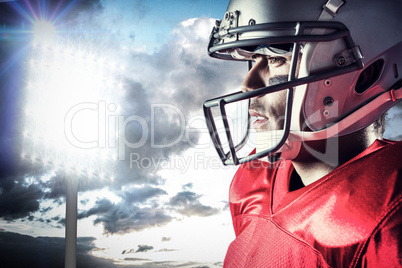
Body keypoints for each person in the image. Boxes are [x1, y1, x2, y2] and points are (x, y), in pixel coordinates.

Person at [203, 0, 402, 267]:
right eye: (252, 59)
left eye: (275, 58)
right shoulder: (253, 180)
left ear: (367, 75)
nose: (247, 84)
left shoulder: (388, 217)